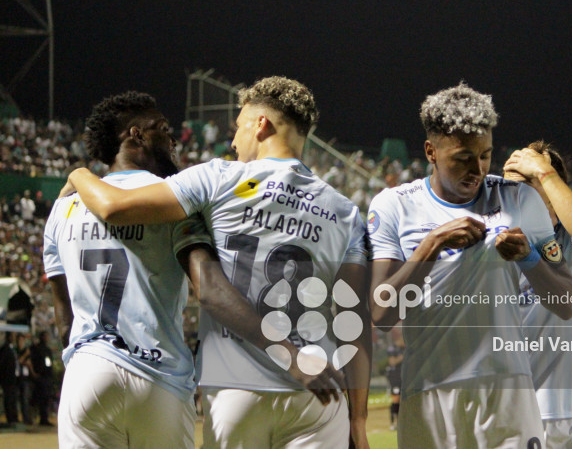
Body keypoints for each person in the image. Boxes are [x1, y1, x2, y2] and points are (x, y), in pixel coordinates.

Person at [67, 77, 372, 449]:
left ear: (261, 125)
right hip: (319, 388)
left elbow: (113, 207)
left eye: (238, 126)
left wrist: (79, 173)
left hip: (236, 384)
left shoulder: (218, 178)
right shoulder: (345, 211)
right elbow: (354, 321)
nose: (232, 141)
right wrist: (357, 418)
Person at [368, 83, 572, 449]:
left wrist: (529, 258)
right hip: (429, 392)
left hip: (506, 389)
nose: (477, 168)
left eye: (485, 155)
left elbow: (567, 301)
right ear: (431, 151)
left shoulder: (519, 199)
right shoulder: (394, 206)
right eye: (463, 157)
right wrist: (431, 245)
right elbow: (382, 312)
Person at [44, 91, 216, 448]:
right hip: (158, 373)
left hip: (87, 370)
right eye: (163, 129)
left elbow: (64, 321)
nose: (172, 139)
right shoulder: (174, 198)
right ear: (135, 134)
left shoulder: (64, 208)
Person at [504, 142, 572, 449]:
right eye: (506, 180)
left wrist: (542, 170)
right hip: (521, 416)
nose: (509, 191)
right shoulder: (496, 241)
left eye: (522, 183)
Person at [29, 330, 54, 426]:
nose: (48, 338)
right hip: (42, 377)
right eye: (46, 336)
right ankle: (41, 418)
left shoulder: (45, 349)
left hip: (46, 377)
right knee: (41, 398)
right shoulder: (37, 348)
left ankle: (44, 418)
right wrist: (35, 373)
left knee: (46, 398)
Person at [0, 332, 19, 424]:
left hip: (12, 379)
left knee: (12, 399)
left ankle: (13, 418)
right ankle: (11, 419)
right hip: (7, 379)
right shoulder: (5, 349)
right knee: (9, 399)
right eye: (13, 336)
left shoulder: (11, 349)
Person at [385, 344, 403, 431]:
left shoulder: (406, 348)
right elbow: (392, 362)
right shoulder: (393, 349)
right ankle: (393, 423)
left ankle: (400, 423)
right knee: (395, 401)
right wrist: (401, 358)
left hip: (403, 380)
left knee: (401, 402)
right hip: (395, 380)